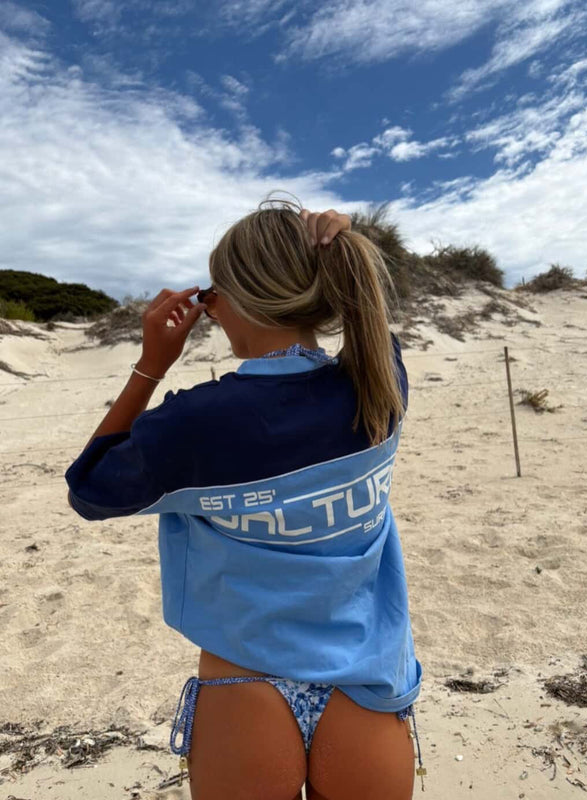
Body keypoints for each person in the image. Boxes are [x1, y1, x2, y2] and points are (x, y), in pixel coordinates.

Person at [65, 199, 424, 800]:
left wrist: (152, 365)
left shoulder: (197, 423)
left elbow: (90, 489)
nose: (210, 310)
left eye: (212, 295)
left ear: (241, 298)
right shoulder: (381, 381)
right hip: (366, 681)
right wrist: (341, 243)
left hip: (245, 683)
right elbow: (371, 326)